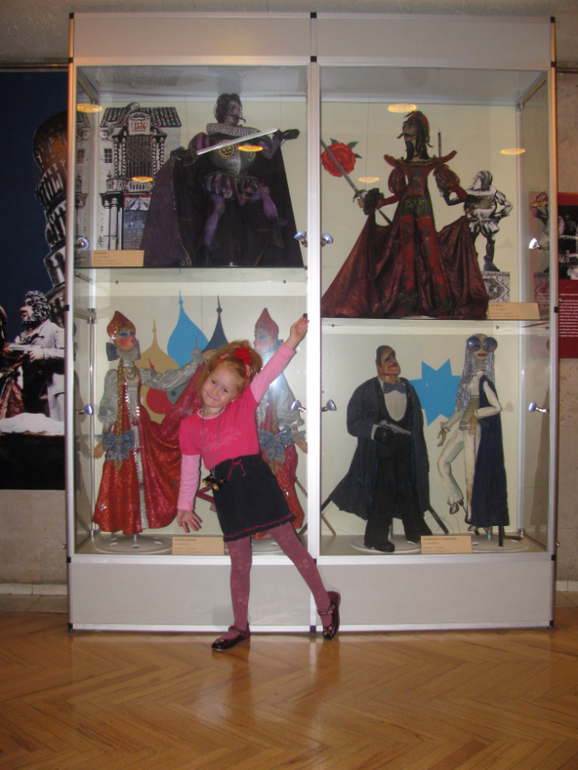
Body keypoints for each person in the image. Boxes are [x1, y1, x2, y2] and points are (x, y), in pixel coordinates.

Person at [176, 316, 340, 651]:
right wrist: (184, 505)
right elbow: (190, 469)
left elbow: (270, 372)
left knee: (293, 548)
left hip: (258, 484)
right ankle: (239, 627)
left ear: (237, 394)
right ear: (206, 376)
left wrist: (292, 339)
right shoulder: (189, 427)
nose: (215, 391)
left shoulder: (244, 404)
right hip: (226, 491)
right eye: (213, 383)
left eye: (225, 389)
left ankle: (326, 605)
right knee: (239, 564)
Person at [321, 111, 488, 320]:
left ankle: (443, 302)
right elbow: (398, 195)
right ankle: (408, 303)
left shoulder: (431, 164)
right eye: (405, 127)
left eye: (410, 126)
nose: (405, 131)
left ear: (420, 130)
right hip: (406, 211)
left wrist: (470, 201)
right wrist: (377, 203)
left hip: (423, 210)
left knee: (432, 255)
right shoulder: (402, 166)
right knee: (407, 257)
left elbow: (454, 188)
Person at [142, 93, 303, 268]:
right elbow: (194, 159)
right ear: (223, 111)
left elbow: (269, 155)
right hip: (221, 180)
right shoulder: (208, 139)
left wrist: (278, 138)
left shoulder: (254, 137)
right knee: (218, 207)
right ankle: (207, 246)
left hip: (245, 181)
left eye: (238, 108)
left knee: (264, 193)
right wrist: (184, 156)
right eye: (232, 107)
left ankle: (276, 229)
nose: (236, 111)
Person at [93, 311, 205, 536]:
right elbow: (109, 407)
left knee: (150, 468)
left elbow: (166, 382)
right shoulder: (113, 376)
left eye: (132, 334)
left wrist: (195, 365)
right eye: (125, 335)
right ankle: (128, 522)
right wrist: (105, 438)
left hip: (142, 429)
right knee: (123, 474)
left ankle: (141, 519)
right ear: (115, 341)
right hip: (122, 432)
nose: (131, 338)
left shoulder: (139, 372)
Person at [326, 346, 432, 552]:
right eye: (387, 358)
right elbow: (353, 424)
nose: (393, 362)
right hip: (381, 452)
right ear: (377, 364)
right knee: (384, 490)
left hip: (405, 450)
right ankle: (375, 536)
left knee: (407, 489)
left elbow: (417, 424)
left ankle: (415, 530)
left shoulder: (408, 389)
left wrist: (419, 454)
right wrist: (375, 431)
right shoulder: (365, 391)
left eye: (394, 357)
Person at [437, 334, 508, 530]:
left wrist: (477, 415)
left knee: (472, 474)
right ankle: (455, 496)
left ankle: (475, 516)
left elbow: (496, 407)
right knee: (442, 462)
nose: (481, 350)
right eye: (476, 345)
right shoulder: (468, 378)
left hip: (473, 431)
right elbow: (462, 408)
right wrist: (447, 426)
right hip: (462, 428)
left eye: (486, 345)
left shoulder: (485, 381)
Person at [252, 308, 306, 540]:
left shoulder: (275, 377)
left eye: (262, 336)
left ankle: (288, 520)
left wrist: (296, 435)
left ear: (273, 340)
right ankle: (262, 524)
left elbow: (285, 406)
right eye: (256, 336)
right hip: (251, 441)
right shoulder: (250, 371)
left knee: (280, 480)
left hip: (271, 440)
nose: (256, 341)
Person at [8, 291, 64, 421]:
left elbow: (68, 353)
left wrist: (44, 353)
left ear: (40, 309)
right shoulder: (25, 336)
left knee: (53, 429)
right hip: (30, 394)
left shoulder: (54, 330)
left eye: (29, 305)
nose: (22, 309)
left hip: (49, 394)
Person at [444, 170, 512, 272]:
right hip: (473, 221)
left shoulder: (493, 192)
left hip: (488, 221)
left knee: (491, 239)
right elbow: (450, 202)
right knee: (470, 241)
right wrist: (445, 193)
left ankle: (489, 262)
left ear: (484, 180)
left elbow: (509, 205)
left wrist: (499, 215)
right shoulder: (469, 193)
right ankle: (472, 262)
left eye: (477, 178)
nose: (474, 180)